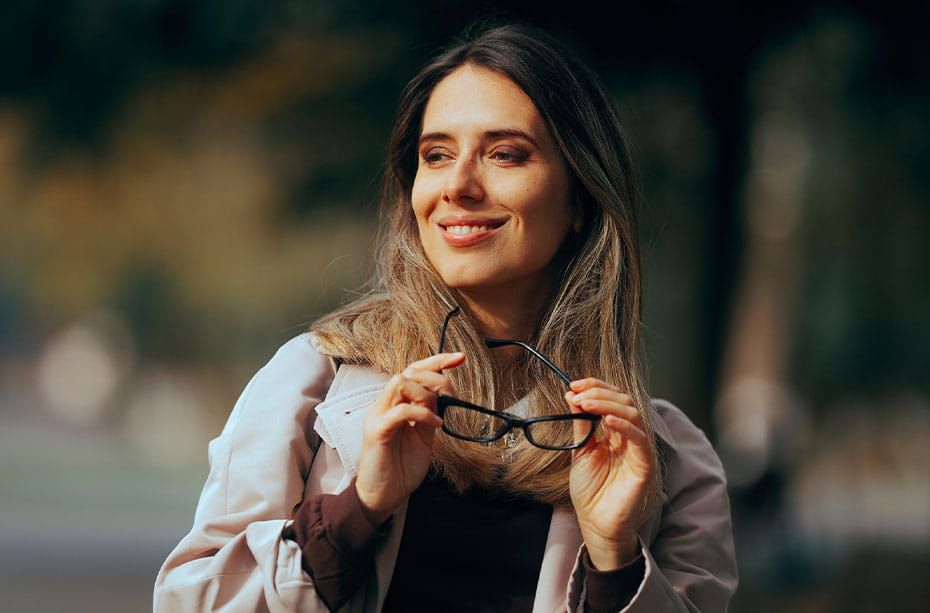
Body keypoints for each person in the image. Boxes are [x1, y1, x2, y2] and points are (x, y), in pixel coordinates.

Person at [155, 23, 737, 612]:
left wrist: (616, 559)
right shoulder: (311, 384)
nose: (458, 185)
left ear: (581, 197)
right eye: (436, 155)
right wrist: (357, 510)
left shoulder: (667, 459)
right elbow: (189, 602)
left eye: (505, 154)